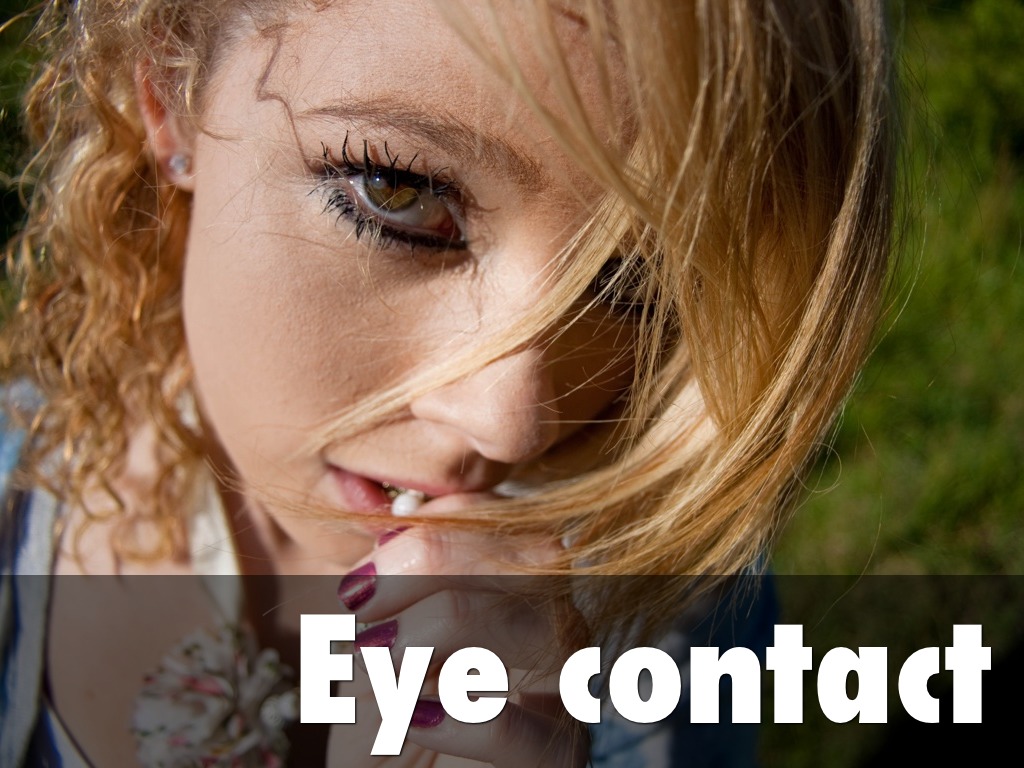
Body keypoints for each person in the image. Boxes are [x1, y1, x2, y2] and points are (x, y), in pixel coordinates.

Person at [0, 0, 896, 765]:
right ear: (171, 92)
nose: (509, 424)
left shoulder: (673, 612)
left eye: (641, 280)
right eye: (397, 192)